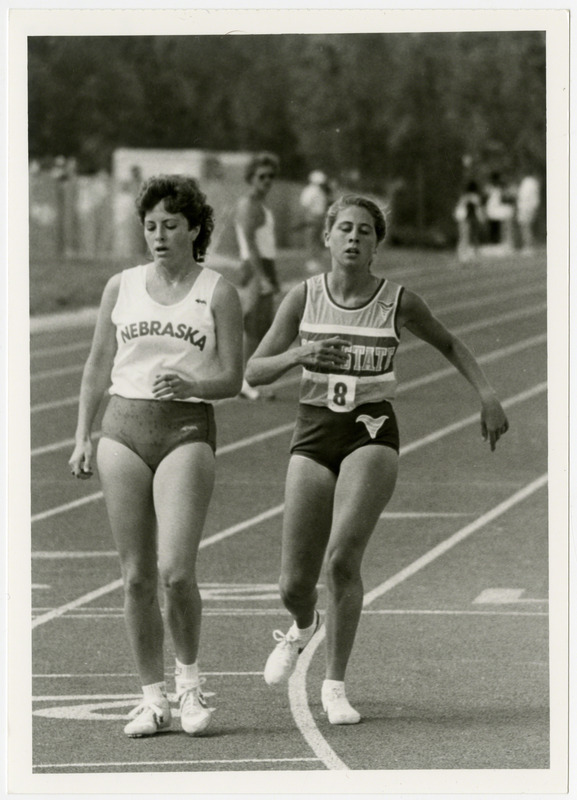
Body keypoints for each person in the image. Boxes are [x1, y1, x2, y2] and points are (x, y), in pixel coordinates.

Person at [245, 194, 509, 725]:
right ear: (327, 238)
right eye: (344, 229)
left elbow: (451, 345)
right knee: (292, 584)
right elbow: (253, 371)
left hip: (371, 429)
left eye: (365, 231)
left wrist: (487, 395)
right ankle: (302, 626)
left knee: (341, 559)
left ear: (376, 244)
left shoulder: (398, 301)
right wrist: (300, 355)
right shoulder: (303, 298)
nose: (353, 238)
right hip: (313, 430)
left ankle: (335, 685)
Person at [68, 175, 243, 737]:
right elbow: (97, 365)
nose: (159, 236)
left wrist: (195, 385)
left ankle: (190, 685)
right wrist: (81, 435)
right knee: (136, 576)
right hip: (122, 428)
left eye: (171, 225)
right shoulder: (120, 286)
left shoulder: (218, 291)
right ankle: (151, 698)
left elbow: (232, 377)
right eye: (150, 226)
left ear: (194, 228)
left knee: (175, 571)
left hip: (185, 429)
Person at [234, 152, 281, 400]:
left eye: (271, 176)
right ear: (250, 178)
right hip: (256, 268)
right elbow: (250, 245)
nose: (267, 181)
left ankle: (248, 379)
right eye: (262, 176)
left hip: (265, 265)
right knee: (253, 326)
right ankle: (244, 382)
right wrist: (261, 276)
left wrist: (271, 274)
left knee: (262, 327)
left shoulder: (261, 204)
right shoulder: (249, 205)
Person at [299, 170, 331, 275]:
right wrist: (307, 217)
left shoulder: (319, 191)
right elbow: (305, 205)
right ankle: (311, 262)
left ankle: (316, 262)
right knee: (311, 240)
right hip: (313, 216)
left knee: (316, 240)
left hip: (319, 217)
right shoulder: (310, 191)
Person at [454, 180, 484, 264]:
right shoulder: (474, 197)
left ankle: (464, 256)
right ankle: (471, 256)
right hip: (469, 219)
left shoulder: (464, 197)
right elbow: (478, 209)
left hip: (465, 219)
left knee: (464, 238)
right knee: (471, 238)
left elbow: (459, 209)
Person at [516, 171, 541, 255]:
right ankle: (528, 246)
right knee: (526, 228)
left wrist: (532, 208)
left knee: (526, 228)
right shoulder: (530, 182)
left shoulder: (528, 182)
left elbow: (530, 197)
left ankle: (529, 247)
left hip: (526, 208)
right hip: (527, 207)